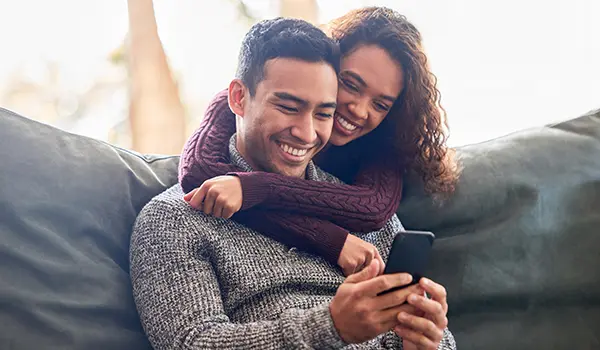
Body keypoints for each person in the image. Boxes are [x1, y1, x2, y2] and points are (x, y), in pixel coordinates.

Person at [131, 17, 456, 349]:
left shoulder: (362, 212)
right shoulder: (173, 219)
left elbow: (436, 337)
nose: (306, 133)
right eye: (289, 107)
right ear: (239, 99)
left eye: (323, 114)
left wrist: (424, 340)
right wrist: (331, 327)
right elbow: (192, 343)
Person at [179, 7, 459, 277]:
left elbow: (371, 209)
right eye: (350, 84)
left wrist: (253, 187)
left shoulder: (383, 143)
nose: (359, 110)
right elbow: (200, 174)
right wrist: (331, 240)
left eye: (380, 104)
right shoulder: (242, 103)